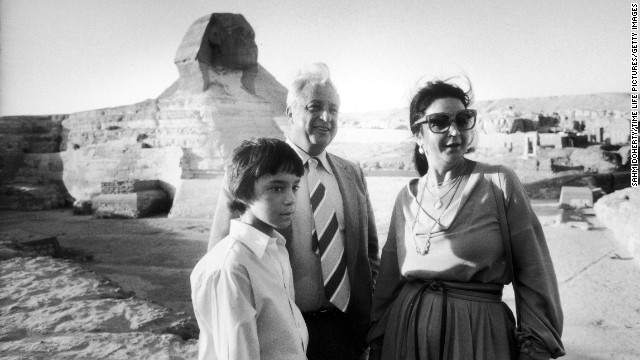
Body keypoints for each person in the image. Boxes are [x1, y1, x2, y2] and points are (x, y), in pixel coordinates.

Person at [367, 79, 565, 360]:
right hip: (406, 339)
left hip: (478, 337)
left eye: (463, 119)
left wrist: (536, 349)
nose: (454, 131)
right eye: (439, 122)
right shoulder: (406, 199)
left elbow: (535, 273)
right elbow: (388, 283)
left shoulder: (499, 183)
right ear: (418, 135)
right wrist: (377, 344)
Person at [208, 63, 379, 360]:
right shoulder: (254, 170)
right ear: (290, 113)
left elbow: (369, 253)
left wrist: (366, 315)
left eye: (334, 110)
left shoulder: (352, 174)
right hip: (279, 334)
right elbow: (219, 254)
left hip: (346, 331)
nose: (326, 118)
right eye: (315, 107)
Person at [191, 138, 308, 360]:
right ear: (243, 192)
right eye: (276, 188)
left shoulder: (276, 249)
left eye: (294, 187)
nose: (291, 199)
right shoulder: (231, 267)